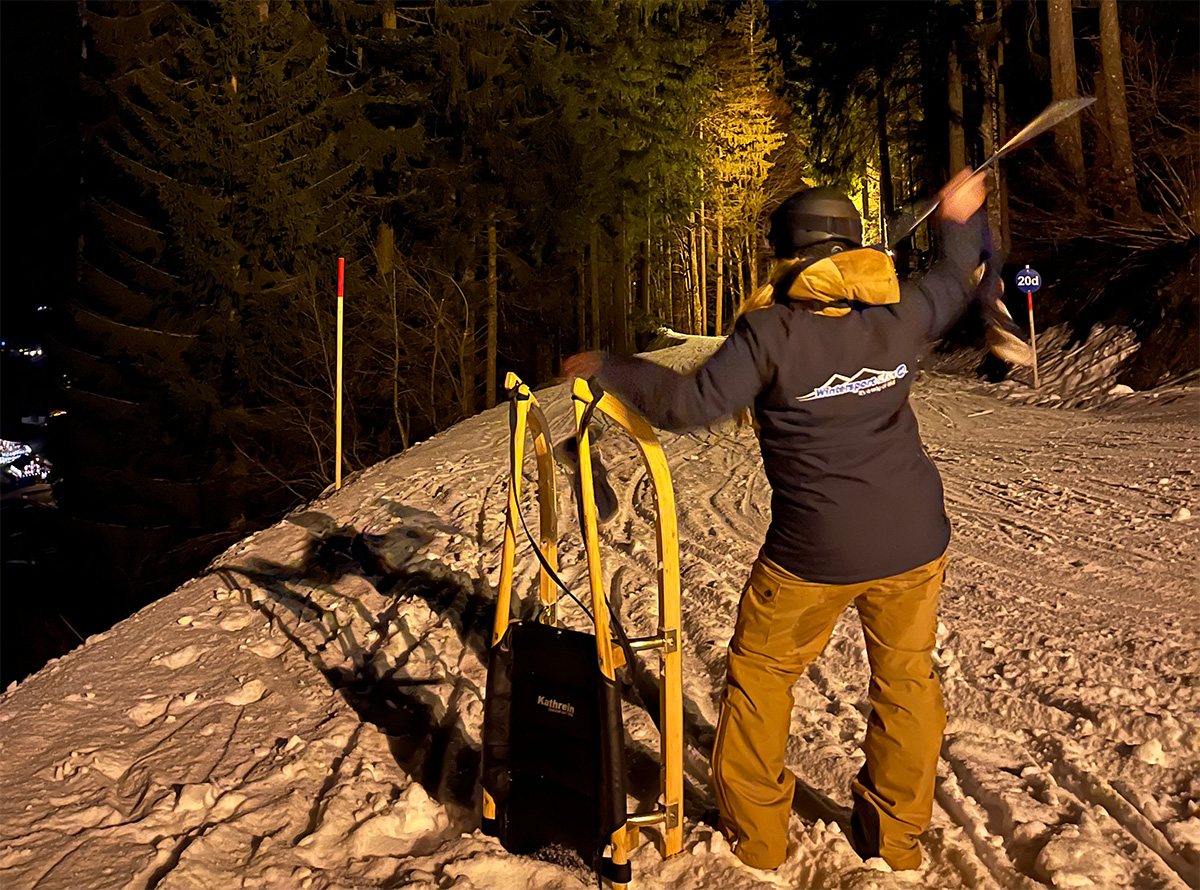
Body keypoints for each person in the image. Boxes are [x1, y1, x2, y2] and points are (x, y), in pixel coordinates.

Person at [562, 169, 988, 872]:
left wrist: (611, 366)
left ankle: (756, 839)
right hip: (914, 540)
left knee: (761, 676)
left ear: (788, 254)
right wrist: (961, 214)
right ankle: (896, 840)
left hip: (813, 554)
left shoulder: (771, 332)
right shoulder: (901, 314)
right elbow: (953, 277)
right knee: (907, 682)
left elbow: (685, 406)